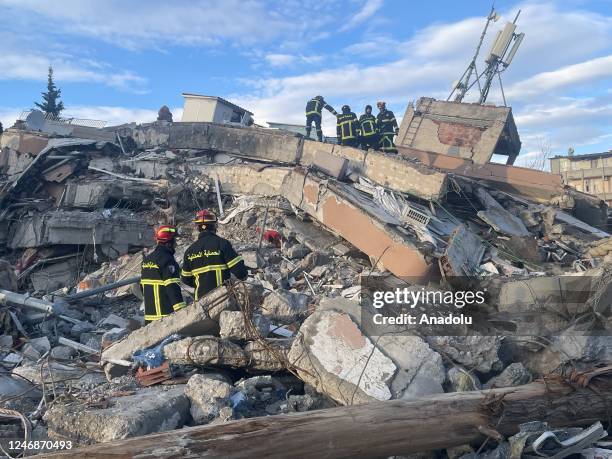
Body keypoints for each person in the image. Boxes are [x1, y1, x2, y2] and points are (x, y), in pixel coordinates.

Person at [181, 210, 248, 300]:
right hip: (223, 299)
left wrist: (201, 283)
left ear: (198, 228)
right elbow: (240, 271)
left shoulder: (189, 251)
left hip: (201, 303)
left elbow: (185, 279)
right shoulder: (222, 244)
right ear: (215, 225)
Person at [140, 225, 185, 324]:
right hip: (165, 317)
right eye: (174, 241)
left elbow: (142, 287)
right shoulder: (167, 260)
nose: (176, 244)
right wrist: (182, 312)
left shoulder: (146, 260)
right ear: (168, 243)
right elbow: (172, 287)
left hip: (149, 317)